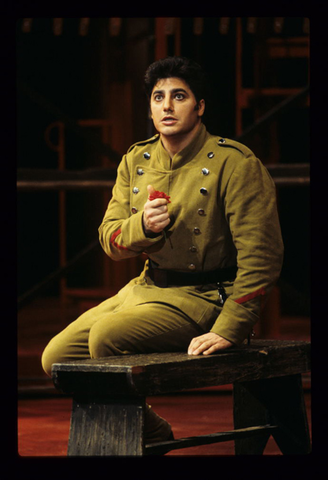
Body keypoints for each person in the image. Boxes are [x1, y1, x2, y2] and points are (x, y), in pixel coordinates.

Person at [42, 56, 284, 447]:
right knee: (55, 358)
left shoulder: (234, 163)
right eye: (158, 97)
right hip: (147, 289)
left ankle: (124, 443)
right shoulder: (136, 160)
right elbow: (110, 239)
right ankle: (150, 429)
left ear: (199, 106)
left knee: (105, 337)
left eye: (179, 96)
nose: (167, 106)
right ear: (150, 106)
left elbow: (263, 256)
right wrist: (143, 226)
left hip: (205, 296)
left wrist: (231, 327)